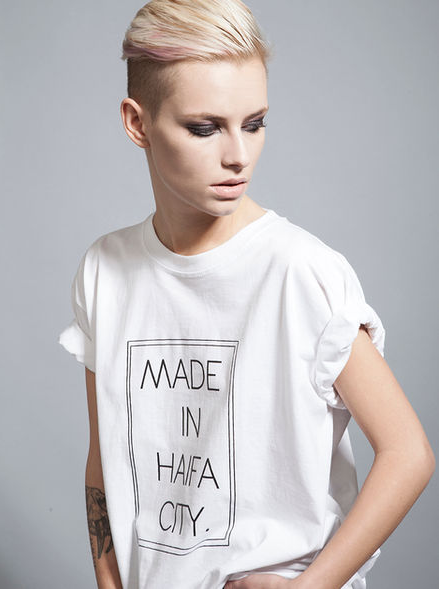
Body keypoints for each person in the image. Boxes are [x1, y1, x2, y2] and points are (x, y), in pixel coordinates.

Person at [58, 1, 435, 588]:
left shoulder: (300, 271)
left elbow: (408, 453)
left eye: (254, 123)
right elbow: (104, 457)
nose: (238, 154)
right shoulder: (104, 271)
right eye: (204, 128)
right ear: (137, 123)